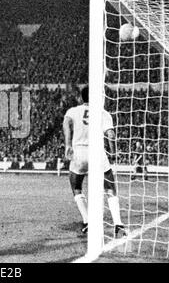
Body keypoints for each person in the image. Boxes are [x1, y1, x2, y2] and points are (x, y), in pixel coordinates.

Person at [63, 86, 126, 237]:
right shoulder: (103, 113)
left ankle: (87, 221)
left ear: (81, 98)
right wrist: (113, 152)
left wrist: (68, 144)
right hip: (98, 153)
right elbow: (110, 134)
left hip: (79, 153)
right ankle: (118, 224)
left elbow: (66, 123)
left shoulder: (72, 111)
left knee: (76, 187)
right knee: (110, 188)